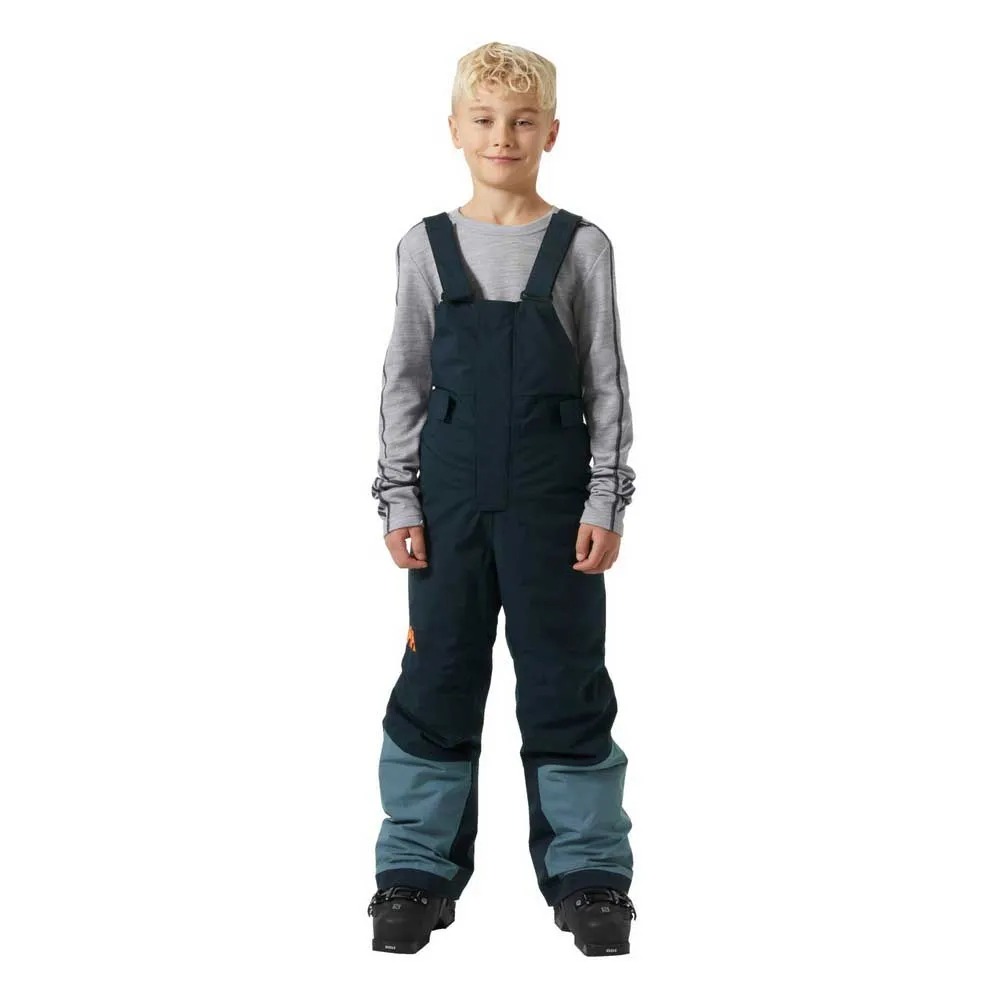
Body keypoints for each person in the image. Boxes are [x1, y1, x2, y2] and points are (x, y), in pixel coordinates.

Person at [368, 40, 638, 957]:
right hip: (447, 506)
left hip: (553, 506)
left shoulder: (583, 247)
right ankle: (415, 869)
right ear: (454, 128)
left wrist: (605, 503)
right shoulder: (424, 246)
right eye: (484, 119)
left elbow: (606, 383)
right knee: (437, 676)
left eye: (523, 121)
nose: (503, 136)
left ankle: (591, 876)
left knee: (565, 680)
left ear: (551, 131)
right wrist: (399, 501)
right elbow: (403, 381)